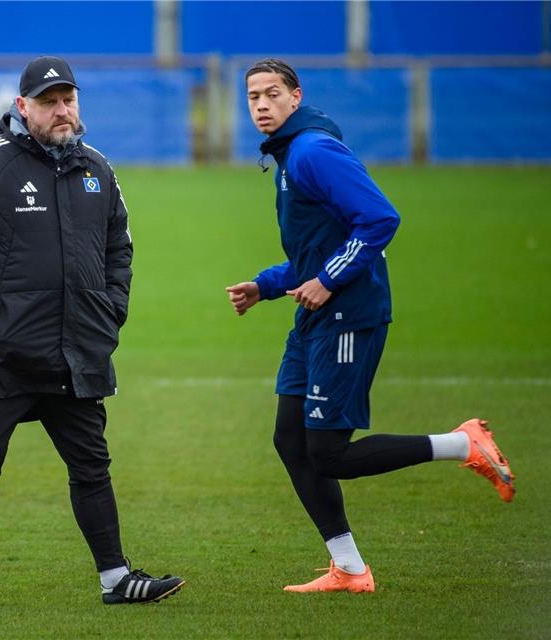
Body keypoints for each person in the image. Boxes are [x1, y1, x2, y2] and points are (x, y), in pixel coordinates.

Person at [226, 59, 515, 593]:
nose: (262, 105)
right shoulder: (290, 157)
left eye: (272, 94)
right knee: (290, 439)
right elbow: (314, 249)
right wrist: (264, 286)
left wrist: (330, 279)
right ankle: (351, 570)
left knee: (329, 453)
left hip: (347, 316)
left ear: (295, 96)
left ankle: (462, 444)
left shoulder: (312, 151)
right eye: (252, 97)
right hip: (314, 315)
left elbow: (380, 218)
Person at [0, 55, 184, 606]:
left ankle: (116, 579)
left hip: (78, 352)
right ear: (22, 107)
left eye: (68, 99)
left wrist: (111, 309)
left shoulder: (98, 169)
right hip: (4, 356)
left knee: (92, 466)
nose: (61, 110)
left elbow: (121, 248)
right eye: (48, 102)